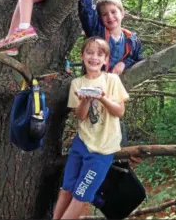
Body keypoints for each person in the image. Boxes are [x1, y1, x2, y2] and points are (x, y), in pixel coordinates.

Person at [53, 37, 129, 219]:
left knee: (81, 193)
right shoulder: (77, 84)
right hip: (81, 143)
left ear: (105, 60)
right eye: (89, 52)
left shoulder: (112, 80)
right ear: (82, 56)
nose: (94, 57)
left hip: (102, 149)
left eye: (99, 54)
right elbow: (80, 115)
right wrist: (86, 100)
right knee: (68, 187)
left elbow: (119, 112)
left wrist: (102, 98)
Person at [79, 0, 143, 75]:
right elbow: (87, 12)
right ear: (100, 19)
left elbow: (137, 59)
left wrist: (124, 63)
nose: (110, 16)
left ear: (122, 13)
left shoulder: (132, 40)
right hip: (93, 83)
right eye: (104, 14)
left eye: (113, 12)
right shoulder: (97, 32)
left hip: (116, 85)